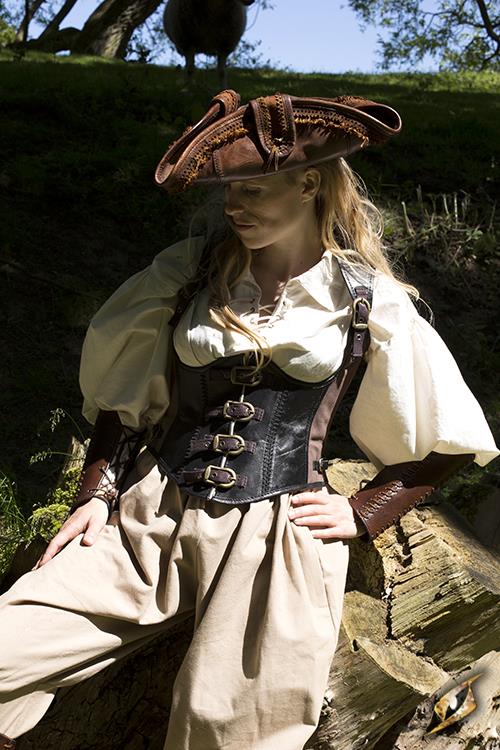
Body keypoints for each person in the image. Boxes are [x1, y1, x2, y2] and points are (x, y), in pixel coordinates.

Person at [0, 90, 497, 750]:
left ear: (309, 185)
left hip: (273, 539)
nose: (235, 206)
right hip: (152, 512)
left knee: (231, 731)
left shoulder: (363, 298)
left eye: (254, 190)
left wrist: (365, 510)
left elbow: (451, 436)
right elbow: (123, 393)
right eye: (230, 190)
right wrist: (98, 491)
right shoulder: (190, 271)